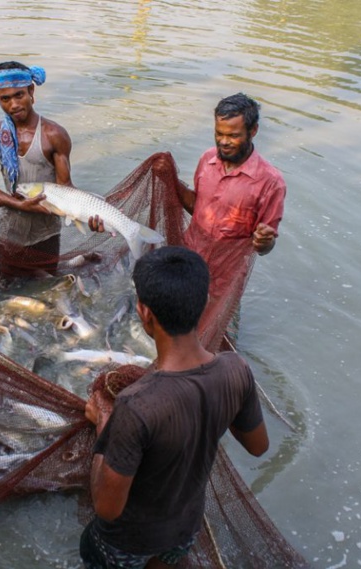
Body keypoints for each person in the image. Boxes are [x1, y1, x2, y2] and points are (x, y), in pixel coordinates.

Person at [81, 246, 269, 568]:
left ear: (145, 314)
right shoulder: (236, 369)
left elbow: (107, 507)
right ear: (204, 302)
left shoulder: (135, 404)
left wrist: (104, 421)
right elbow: (258, 446)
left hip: (126, 544)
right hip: (184, 533)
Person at [0, 61, 99, 283]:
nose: (13, 105)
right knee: (6, 282)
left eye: (19, 95)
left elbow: (65, 187)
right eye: (5, 99)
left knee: (47, 282)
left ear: (31, 91)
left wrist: (89, 214)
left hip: (47, 229)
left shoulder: (54, 134)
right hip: (12, 227)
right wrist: (19, 205)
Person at [176, 93, 286, 256]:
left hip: (227, 271)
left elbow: (264, 248)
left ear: (253, 130)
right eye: (219, 134)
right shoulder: (207, 159)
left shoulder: (271, 182)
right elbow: (198, 208)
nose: (224, 142)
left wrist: (264, 241)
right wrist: (170, 178)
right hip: (189, 254)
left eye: (233, 136)